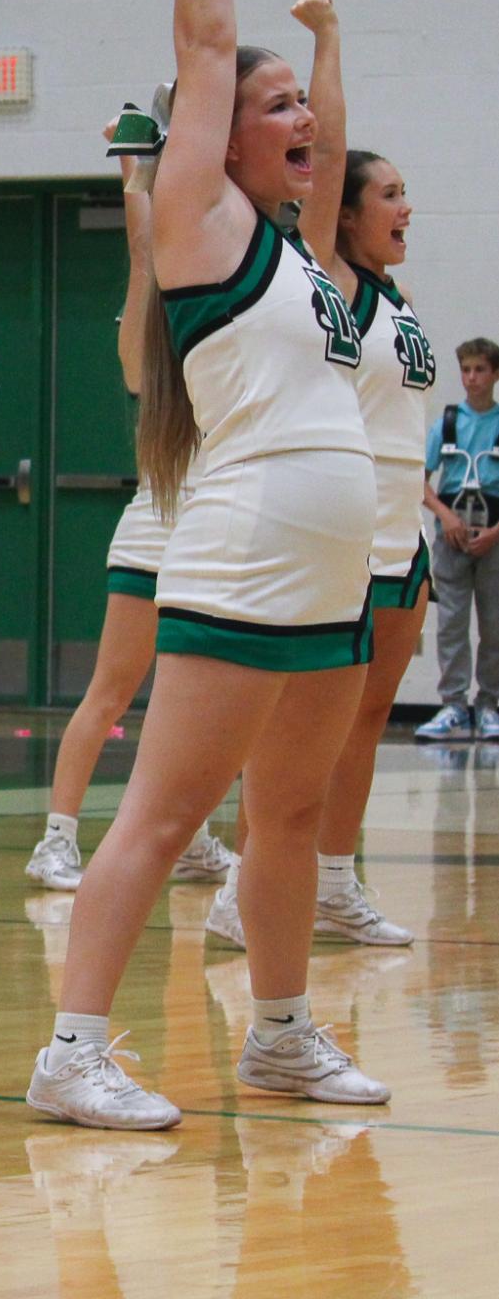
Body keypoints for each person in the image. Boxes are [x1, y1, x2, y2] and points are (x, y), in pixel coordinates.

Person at [27, 0, 384, 1131]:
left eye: (303, 107)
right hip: (242, 550)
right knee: (165, 815)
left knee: (287, 811)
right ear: (214, 134)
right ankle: (71, 1050)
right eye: (275, 103)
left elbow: (330, 149)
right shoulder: (202, 221)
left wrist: (326, 55)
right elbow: (203, 47)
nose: (302, 123)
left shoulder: (295, 251)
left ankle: (280, 1034)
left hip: (333, 569)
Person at [24, 120, 232, 892]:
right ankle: (55, 837)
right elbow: (144, 254)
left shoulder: (238, 326)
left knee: (204, 704)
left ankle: (197, 835)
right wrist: (135, 173)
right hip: (157, 531)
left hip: (220, 535)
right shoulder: (150, 346)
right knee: (112, 690)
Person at [276, 96, 439, 949]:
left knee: (368, 723)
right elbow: (324, 170)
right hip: (350, 536)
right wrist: (327, 42)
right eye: (390, 195)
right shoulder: (332, 282)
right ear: (345, 213)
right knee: (319, 728)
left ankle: (335, 882)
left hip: (403, 534)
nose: (406, 207)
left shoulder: (395, 294)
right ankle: (262, 881)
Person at [415, 337, 499, 741]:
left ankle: (489, 706)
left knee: (494, 624)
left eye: (480, 370)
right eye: (466, 370)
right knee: (450, 622)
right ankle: (453, 705)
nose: (472, 378)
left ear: (494, 374)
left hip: (493, 536)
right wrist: (446, 516)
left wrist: (496, 533)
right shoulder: (447, 424)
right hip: (452, 537)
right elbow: (420, 481)